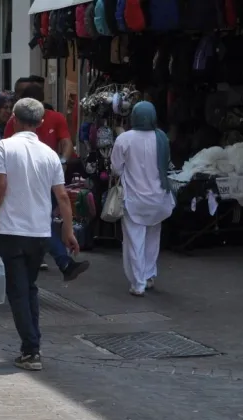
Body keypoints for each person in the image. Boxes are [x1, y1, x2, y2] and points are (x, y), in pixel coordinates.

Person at [0, 98, 78, 371]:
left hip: (10, 231)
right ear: (41, 123)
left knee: (19, 292)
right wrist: (67, 230)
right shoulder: (50, 154)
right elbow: (63, 197)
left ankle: (31, 350)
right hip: (40, 233)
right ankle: (33, 345)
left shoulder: (4, 147)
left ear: (14, 121)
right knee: (29, 288)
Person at [15, 84, 89, 280]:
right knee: (43, 221)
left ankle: (52, 258)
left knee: (43, 221)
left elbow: (66, 142)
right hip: (28, 181)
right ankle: (62, 261)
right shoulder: (16, 121)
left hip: (48, 179)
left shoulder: (55, 118)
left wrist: (62, 162)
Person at [111, 101, 175, 297]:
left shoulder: (125, 139)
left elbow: (116, 168)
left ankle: (138, 283)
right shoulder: (161, 137)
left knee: (134, 240)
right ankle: (148, 276)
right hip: (159, 198)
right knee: (152, 239)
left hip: (135, 199)